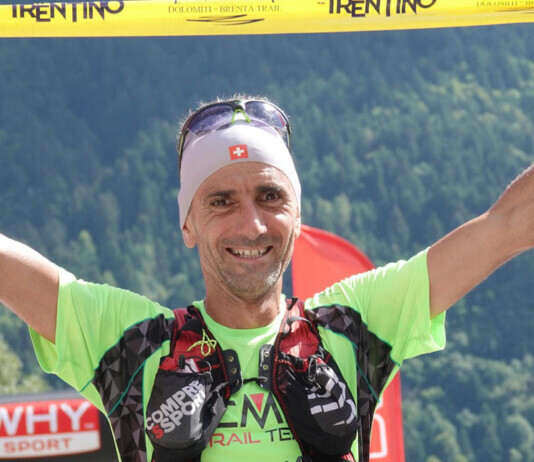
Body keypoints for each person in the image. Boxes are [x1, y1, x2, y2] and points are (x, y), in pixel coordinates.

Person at [0, 95, 533, 462]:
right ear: (187, 224)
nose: (251, 224)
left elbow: (510, 224)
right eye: (221, 201)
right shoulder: (132, 345)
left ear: (297, 217)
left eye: (270, 196)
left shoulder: (352, 326)